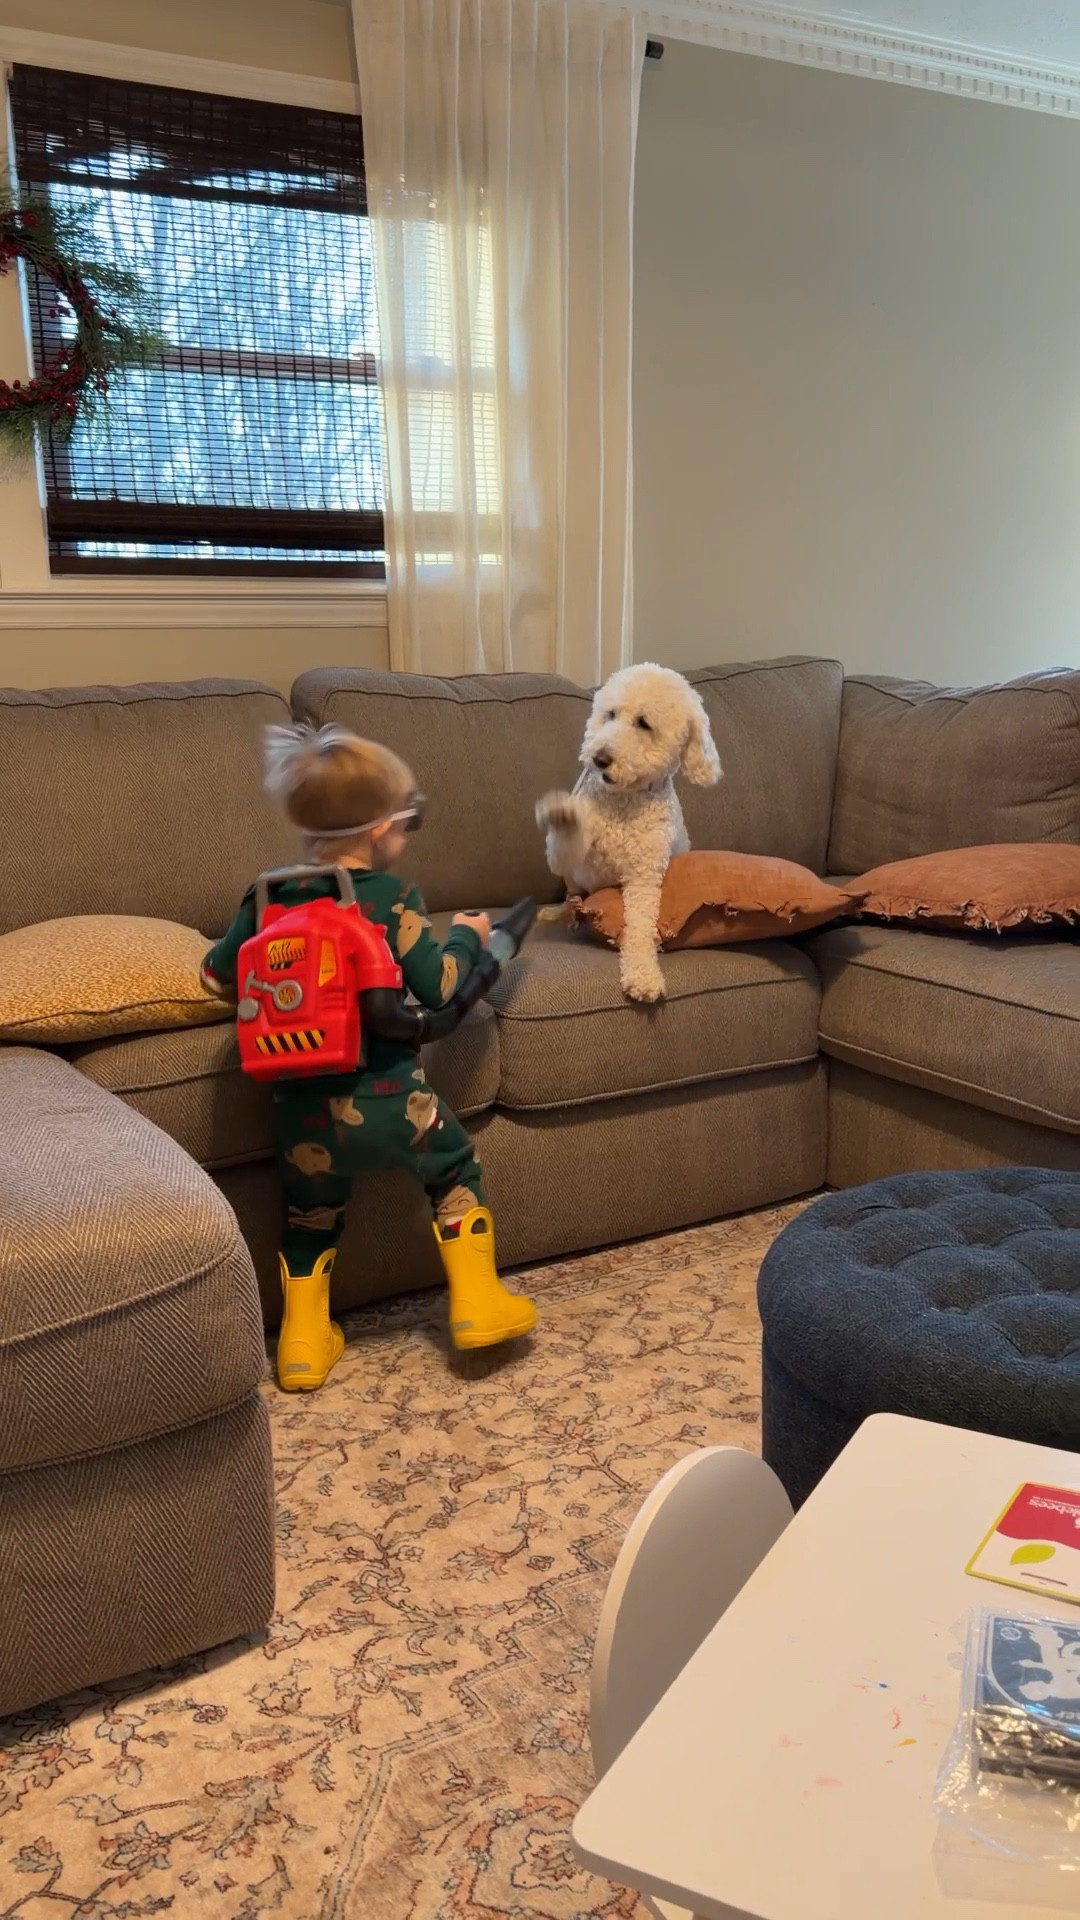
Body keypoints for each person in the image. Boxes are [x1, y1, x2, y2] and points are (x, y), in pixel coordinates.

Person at [202, 722, 537, 1390]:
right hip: (393, 1103)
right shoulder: (390, 899)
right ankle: (475, 1304)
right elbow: (438, 989)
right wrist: (469, 939)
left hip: (299, 1116)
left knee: (308, 1214)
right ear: (383, 829)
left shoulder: (263, 898)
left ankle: (301, 1346)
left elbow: (216, 975)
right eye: (408, 823)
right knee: (454, 1169)